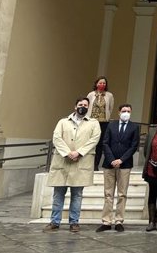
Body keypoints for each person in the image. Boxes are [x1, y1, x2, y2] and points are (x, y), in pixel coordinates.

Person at [43, 97, 101, 233]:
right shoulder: (63, 122)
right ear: (75, 107)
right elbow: (56, 137)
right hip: (63, 162)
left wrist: (79, 153)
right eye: (80, 104)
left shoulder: (94, 123)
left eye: (86, 105)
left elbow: (94, 139)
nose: (83, 107)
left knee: (77, 195)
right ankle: (54, 222)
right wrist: (68, 153)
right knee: (58, 195)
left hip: (81, 163)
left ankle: (74, 222)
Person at [96, 104, 140, 233]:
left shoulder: (134, 127)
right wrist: (112, 159)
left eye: (128, 111)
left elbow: (134, 146)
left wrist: (121, 160)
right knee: (108, 194)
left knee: (122, 194)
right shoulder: (111, 125)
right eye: (124, 111)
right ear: (119, 112)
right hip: (109, 164)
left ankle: (119, 220)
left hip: (125, 165)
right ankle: (106, 221)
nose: (126, 113)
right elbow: (105, 142)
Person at [87, 76, 114, 171]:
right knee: (91, 142)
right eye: (100, 83)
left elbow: (110, 108)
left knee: (100, 144)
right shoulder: (91, 95)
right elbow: (87, 106)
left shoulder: (109, 95)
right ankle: (88, 163)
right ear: (96, 84)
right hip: (92, 121)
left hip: (103, 122)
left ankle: (95, 165)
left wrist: (107, 117)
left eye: (104, 83)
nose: (102, 84)